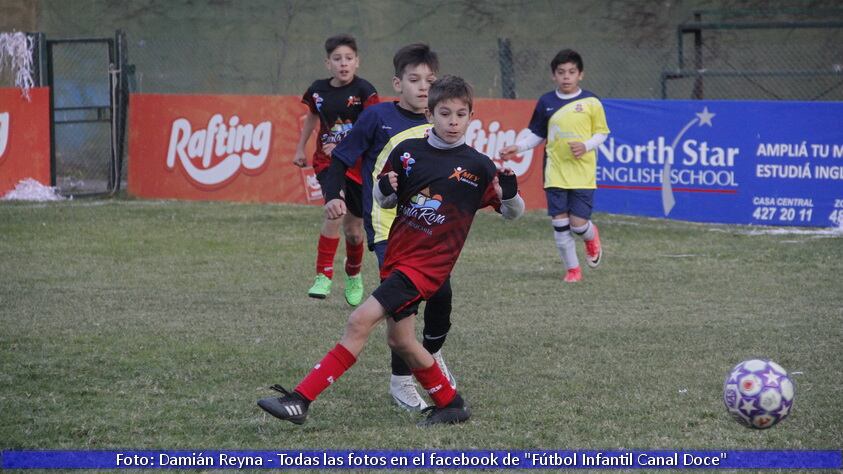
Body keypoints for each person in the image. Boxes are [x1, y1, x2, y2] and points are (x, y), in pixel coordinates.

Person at [258, 75, 525, 427]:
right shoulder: (407, 152)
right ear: (430, 114)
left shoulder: (477, 166)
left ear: (471, 117)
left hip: (424, 269)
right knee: (401, 340)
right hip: (398, 257)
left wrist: (509, 192)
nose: (453, 121)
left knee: (358, 321)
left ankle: (300, 399)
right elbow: (386, 199)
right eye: (445, 113)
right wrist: (384, 187)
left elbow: (511, 213)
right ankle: (451, 404)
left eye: (461, 114)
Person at [318, 44, 454, 412]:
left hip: (430, 228)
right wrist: (333, 195)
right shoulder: (377, 118)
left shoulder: (442, 122)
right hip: (388, 229)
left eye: (430, 80)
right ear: (398, 83)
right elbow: (341, 159)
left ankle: (431, 354)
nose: (423, 86)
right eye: (414, 80)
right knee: (403, 304)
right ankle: (401, 384)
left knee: (441, 296)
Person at [500, 48, 610, 282]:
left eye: (572, 72)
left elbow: (602, 133)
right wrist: (517, 147)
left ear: (580, 74)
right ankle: (573, 270)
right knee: (560, 222)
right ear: (554, 76)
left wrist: (587, 145)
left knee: (578, 224)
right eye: (561, 72)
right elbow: (537, 133)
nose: (566, 77)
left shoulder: (591, 102)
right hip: (555, 171)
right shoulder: (546, 102)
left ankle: (590, 237)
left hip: (582, 172)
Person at [292, 34, 379, 305]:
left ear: (357, 62)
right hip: (328, 164)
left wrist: (345, 145)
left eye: (349, 59)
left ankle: (353, 274)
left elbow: (372, 130)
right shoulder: (318, 90)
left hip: (358, 165)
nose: (343, 64)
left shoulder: (365, 91)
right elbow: (313, 118)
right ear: (327, 63)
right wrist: (299, 148)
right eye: (337, 59)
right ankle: (323, 275)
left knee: (354, 231)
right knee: (334, 211)